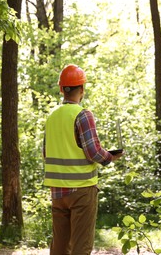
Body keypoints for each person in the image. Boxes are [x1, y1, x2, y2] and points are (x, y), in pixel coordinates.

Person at [43, 64, 124, 255]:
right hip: (82, 189)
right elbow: (94, 152)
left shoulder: (52, 117)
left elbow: (46, 153)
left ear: (62, 89)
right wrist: (110, 157)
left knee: (60, 246)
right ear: (82, 89)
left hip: (57, 191)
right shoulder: (83, 114)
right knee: (81, 246)